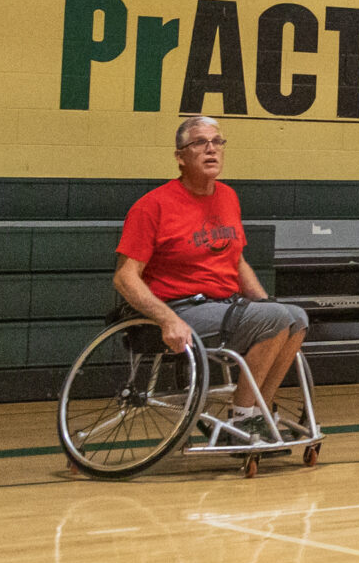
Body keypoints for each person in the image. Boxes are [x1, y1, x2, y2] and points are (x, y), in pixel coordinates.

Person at [113, 116, 308, 440]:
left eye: (217, 142)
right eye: (200, 143)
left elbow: (237, 262)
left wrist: (265, 304)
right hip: (181, 308)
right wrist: (167, 319)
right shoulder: (152, 206)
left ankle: (260, 409)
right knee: (274, 318)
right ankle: (243, 421)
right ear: (180, 156)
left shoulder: (228, 197)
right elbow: (125, 277)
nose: (211, 149)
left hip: (226, 305)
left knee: (296, 318)